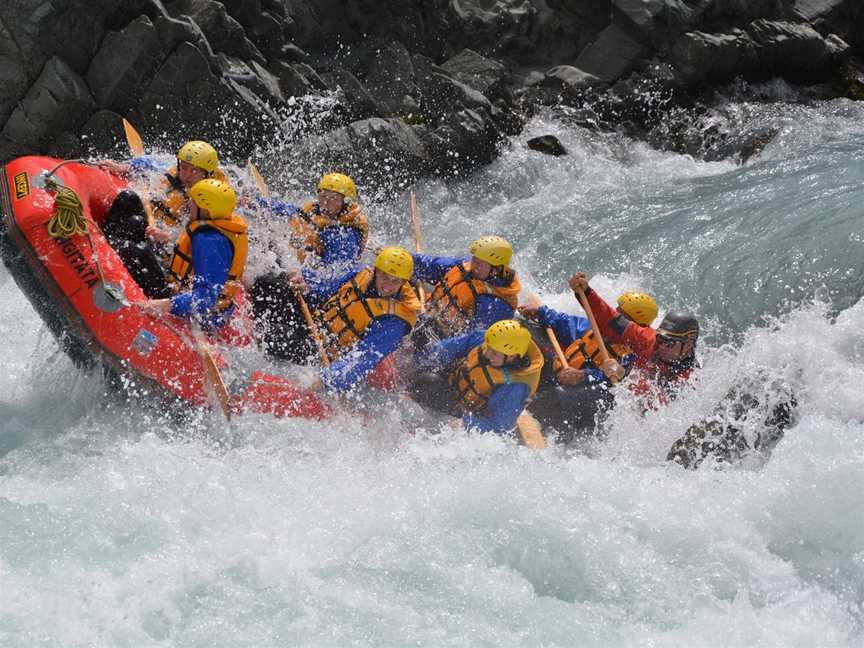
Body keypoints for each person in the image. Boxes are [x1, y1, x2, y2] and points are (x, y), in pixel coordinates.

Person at [517, 290, 657, 441]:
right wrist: (541, 312)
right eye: (616, 311)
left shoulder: (630, 358)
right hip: (558, 375)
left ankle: (535, 420)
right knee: (525, 331)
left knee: (562, 394)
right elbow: (565, 322)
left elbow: (612, 384)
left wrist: (583, 376)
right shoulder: (596, 328)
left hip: (583, 398)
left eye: (621, 315)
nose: (613, 316)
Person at [569, 272, 699, 410]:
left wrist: (622, 375)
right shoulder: (649, 339)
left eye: (668, 342)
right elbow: (611, 320)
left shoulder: (689, 381)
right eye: (660, 338)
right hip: (620, 391)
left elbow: (657, 408)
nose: (661, 345)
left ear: (688, 344)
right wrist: (587, 292)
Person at [137, 178, 248, 330]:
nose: (189, 204)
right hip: (186, 292)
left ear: (206, 210)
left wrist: (166, 304)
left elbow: (206, 298)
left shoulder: (209, 241)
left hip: (202, 315)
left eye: (193, 202)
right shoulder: (216, 227)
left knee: (135, 251)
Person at [410, 319, 544, 435]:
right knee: (424, 331)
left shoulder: (515, 386)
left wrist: (465, 424)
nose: (487, 354)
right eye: (488, 348)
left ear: (512, 356)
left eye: (494, 353)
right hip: (453, 386)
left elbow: (499, 427)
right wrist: (417, 364)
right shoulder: (490, 341)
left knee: (428, 382)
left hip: (465, 413)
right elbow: (445, 349)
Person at [411, 235, 521, 349]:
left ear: (496, 270)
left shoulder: (494, 305)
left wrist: (432, 350)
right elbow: (432, 266)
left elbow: (468, 342)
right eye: (475, 259)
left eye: (480, 263)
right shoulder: (469, 268)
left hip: (446, 342)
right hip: (431, 314)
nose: (474, 265)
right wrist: (405, 260)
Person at [287, 172, 368, 269]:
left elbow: (333, 275)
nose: (326, 203)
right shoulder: (311, 211)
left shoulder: (346, 236)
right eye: (323, 196)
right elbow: (287, 209)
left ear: (346, 204)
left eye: (334, 199)